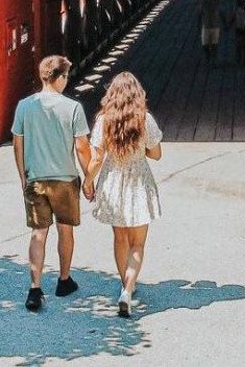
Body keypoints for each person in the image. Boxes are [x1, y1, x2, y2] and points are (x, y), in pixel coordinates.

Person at [12, 54, 92, 312]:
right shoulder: (72, 108)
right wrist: (89, 177)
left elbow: (18, 143)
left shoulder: (24, 106)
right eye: (66, 76)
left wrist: (23, 175)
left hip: (36, 178)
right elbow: (81, 147)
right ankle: (64, 280)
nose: (67, 81)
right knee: (65, 230)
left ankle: (35, 289)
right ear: (58, 78)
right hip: (65, 179)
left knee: (38, 233)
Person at [84, 72, 163, 318]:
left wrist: (87, 181)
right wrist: (138, 150)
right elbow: (156, 154)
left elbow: (97, 158)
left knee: (120, 239)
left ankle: (125, 284)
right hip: (139, 182)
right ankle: (127, 291)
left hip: (113, 183)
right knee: (137, 244)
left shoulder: (103, 120)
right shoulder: (145, 119)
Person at [199, 0, 222, 64]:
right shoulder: (204, 5)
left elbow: (222, 14)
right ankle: (208, 55)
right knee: (205, 46)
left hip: (215, 27)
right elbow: (199, 15)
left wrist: (225, 24)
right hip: (205, 27)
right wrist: (198, 26)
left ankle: (213, 60)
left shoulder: (217, 5)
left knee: (214, 45)